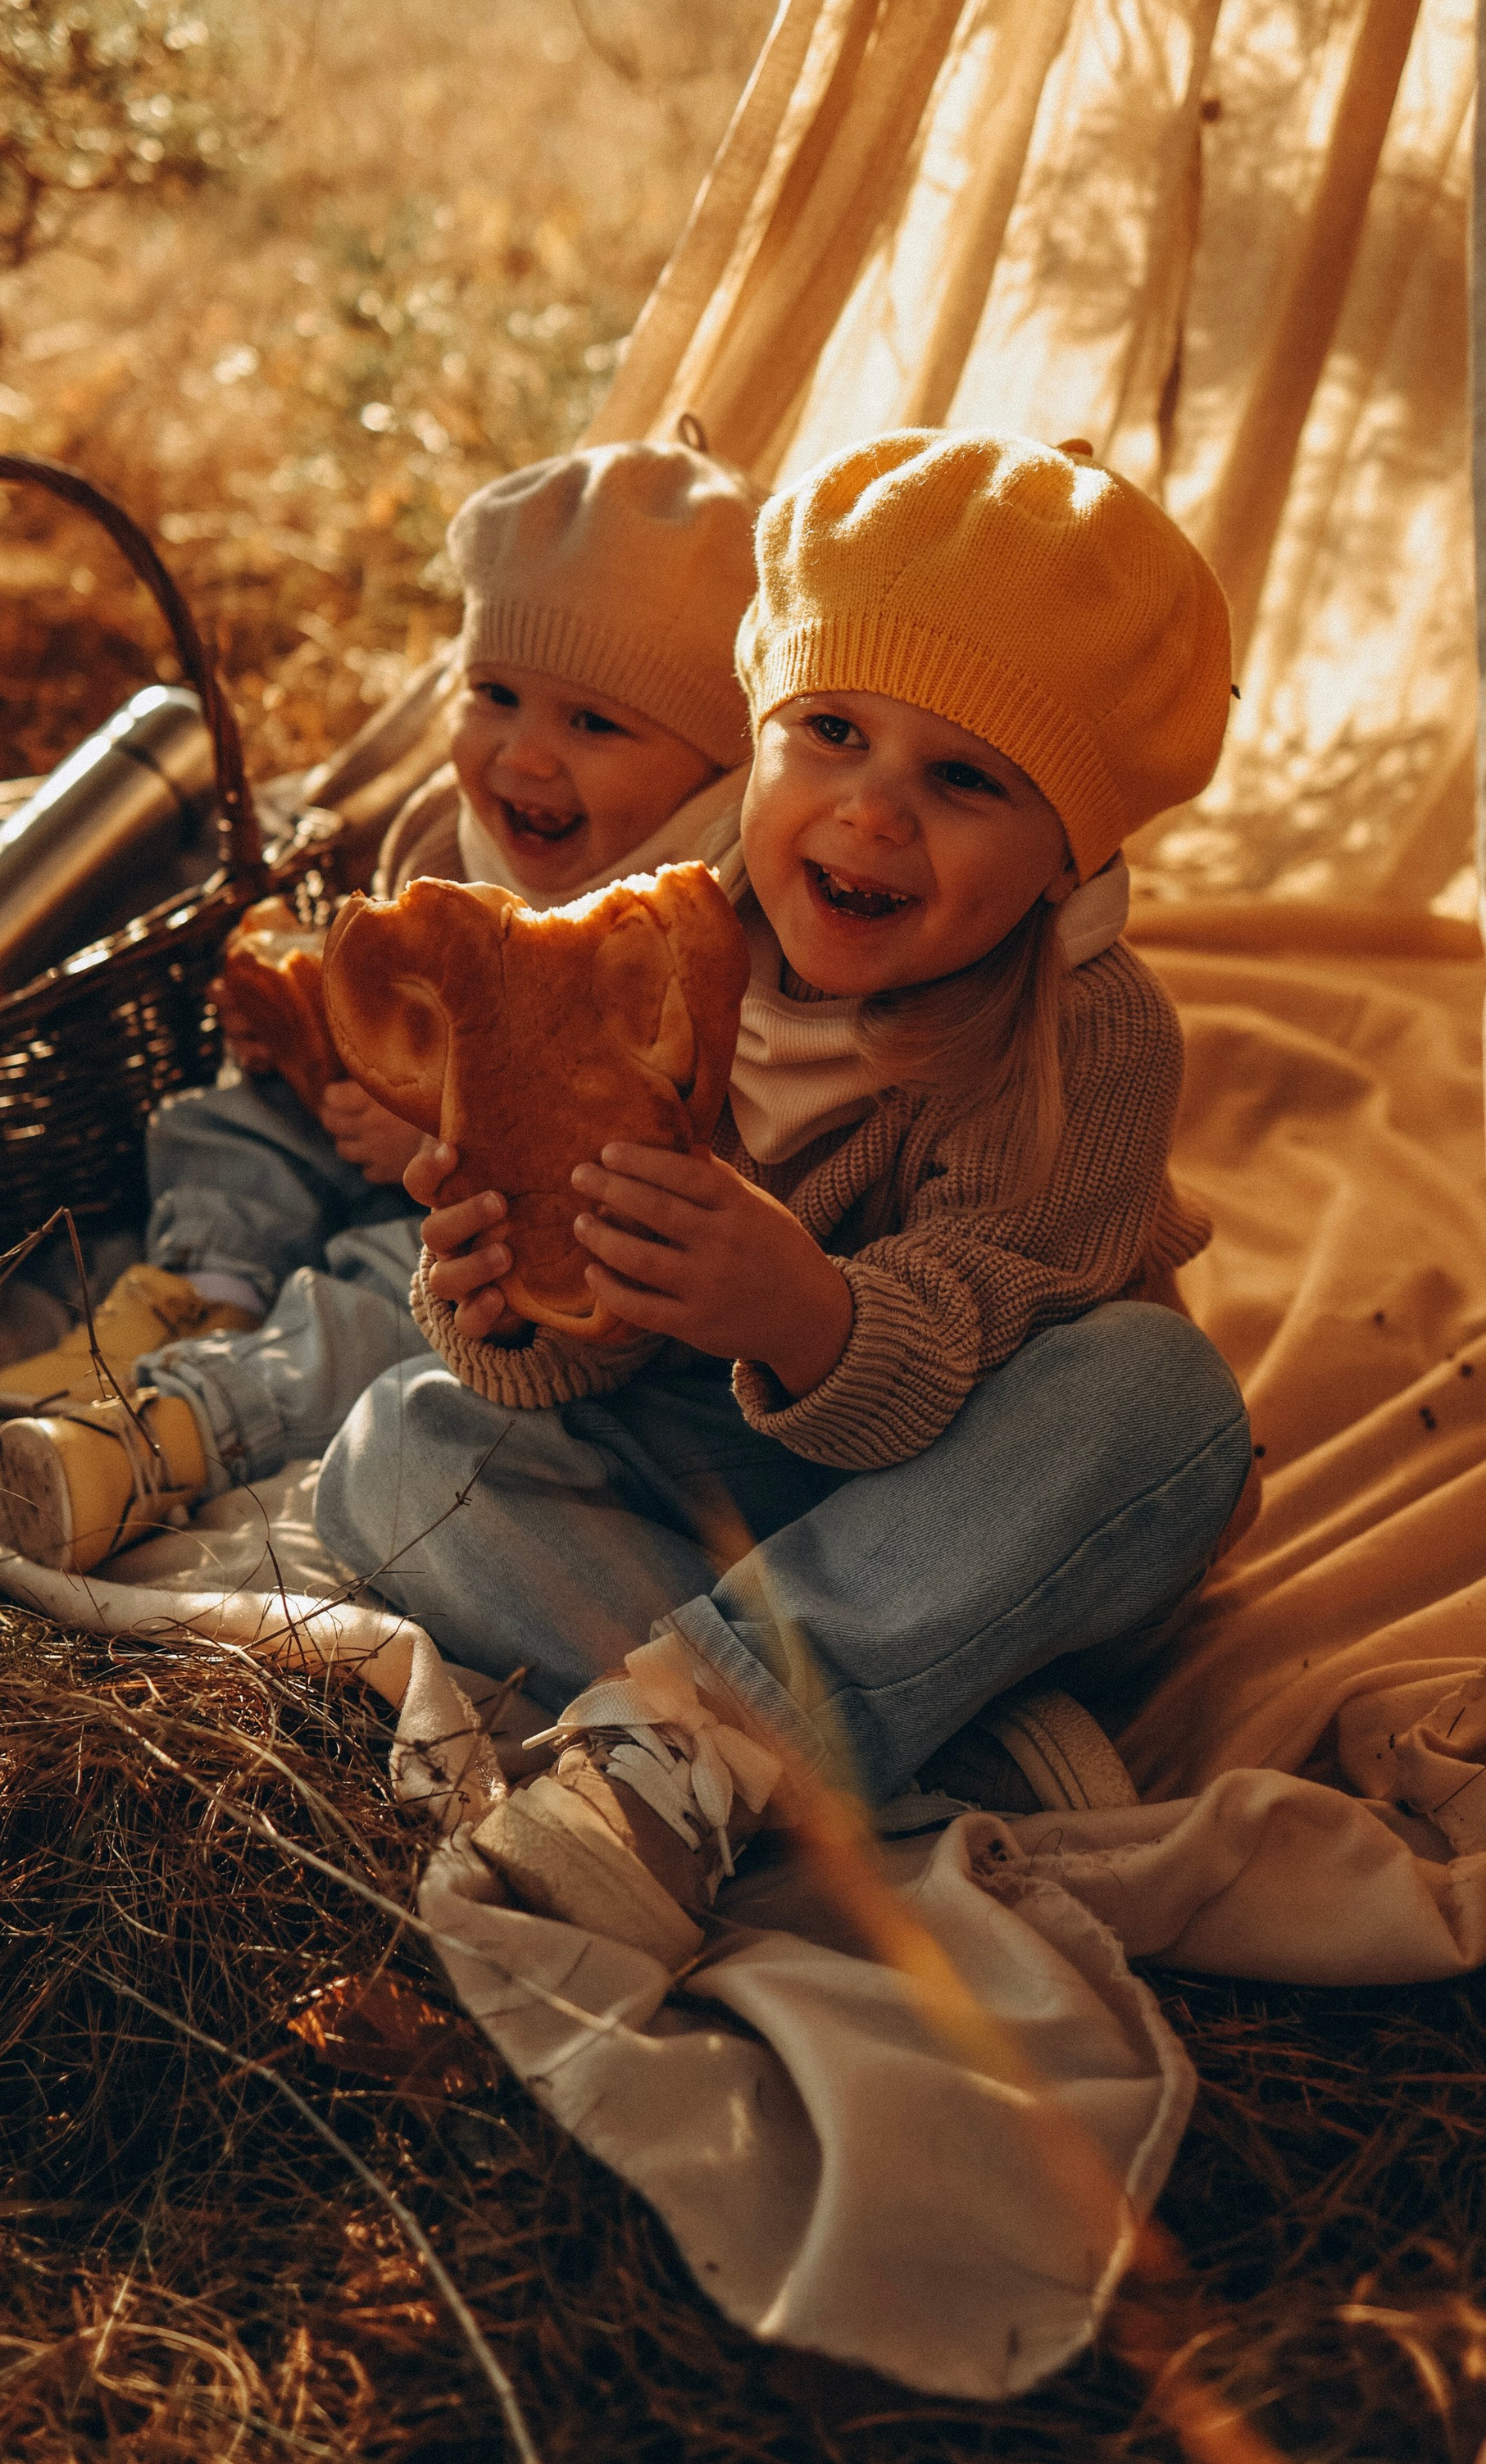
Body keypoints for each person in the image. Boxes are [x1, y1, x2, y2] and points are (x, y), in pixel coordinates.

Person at [310, 429, 1257, 1965]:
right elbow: (606, 1343)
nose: (872, 814)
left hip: (982, 1499)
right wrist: (513, 1305)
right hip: (735, 1490)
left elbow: (999, 1307)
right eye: (828, 732)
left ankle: (716, 1742)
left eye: (961, 779)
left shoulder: (1091, 1029)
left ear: (1068, 849)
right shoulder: (653, 950)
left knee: (1167, 1401)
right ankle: (898, 1751)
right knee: (399, 1454)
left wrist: (809, 1313)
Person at [0, 439, 760, 1570]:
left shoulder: (686, 926)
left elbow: (650, 1136)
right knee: (217, 1124)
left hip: (477, 1222)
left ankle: (183, 1425)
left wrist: (438, 1132)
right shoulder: (446, 836)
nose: (525, 754)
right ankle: (197, 1284)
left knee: (382, 1294)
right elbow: (385, 982)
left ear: (712, 762)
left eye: (595, 724)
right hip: (360, 1136)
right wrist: (307, 1040)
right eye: (495, 696)